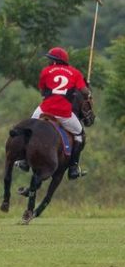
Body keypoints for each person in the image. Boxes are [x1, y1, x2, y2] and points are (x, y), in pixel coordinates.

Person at [28, 47, 90, 179]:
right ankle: (73, 167)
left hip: (44, 109)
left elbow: (42, 92)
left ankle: (23, 160)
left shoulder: (46, 71)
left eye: (50, 60)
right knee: (79, 134)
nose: (49, 62)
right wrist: (87, 89)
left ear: (56, 62)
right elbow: (84, 92)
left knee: (29, 126)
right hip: (64, 113)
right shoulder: (75, 72)